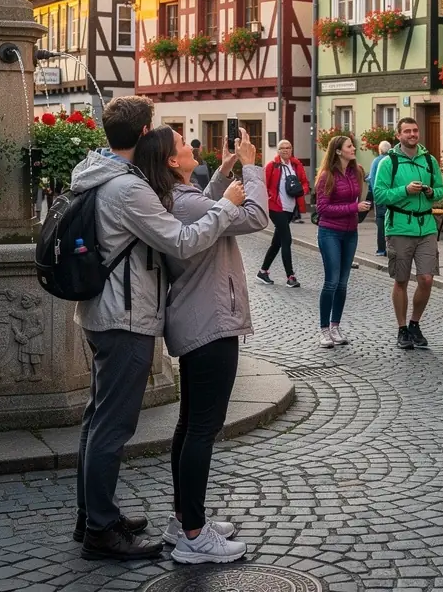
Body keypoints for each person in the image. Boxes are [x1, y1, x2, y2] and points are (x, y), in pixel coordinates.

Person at [69, 95, 246, 561]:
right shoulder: (128, 189)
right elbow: (181, 242)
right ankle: (101, 531)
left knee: (97, 418)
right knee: (113, 424)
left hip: (103, 311)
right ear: (145, 134)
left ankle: (93, 514)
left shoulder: (99, 171)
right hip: (124, 315)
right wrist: (226, 207)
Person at [132, 124, 267, 565]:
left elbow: (204, 207)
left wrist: (225, 172)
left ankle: (181, 518)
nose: (192, 146)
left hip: (197, 319)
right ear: (173, 161)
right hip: (210, 320)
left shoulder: (174, 196)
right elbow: (255, 217)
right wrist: (252, 168)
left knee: (190, 424)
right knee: (202, 430)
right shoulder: (184, 201)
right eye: (183, 145)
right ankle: (193, 533)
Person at [374, 117, 443, 350]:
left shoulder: (429, 160)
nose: (412, 134)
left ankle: (415, 323)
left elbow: (441, 192)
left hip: (426, 227)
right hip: (399, 227)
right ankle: (402, 328)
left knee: (426, 279)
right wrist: (405, 190)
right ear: (399, 135)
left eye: (415, 130)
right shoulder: (388, 163)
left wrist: (429, 190)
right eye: (407, 131)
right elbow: (380, 195)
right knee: (401, 280)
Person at [315, 135, 371, 348]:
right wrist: (353, 208)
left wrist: (361, 207)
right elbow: (322, 209)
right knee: (331, 281)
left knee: (343, 283)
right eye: (349, 146)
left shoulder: (356, 172)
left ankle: (335, 326)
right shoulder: (326, 176)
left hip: (351, 233)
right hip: (330, 232)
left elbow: (358, 196)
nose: (353, 148)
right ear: (338, 151)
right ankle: (323, 330)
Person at [258, 138, 308, 288]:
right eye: (283, 148)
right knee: (287, 239)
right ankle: (290, 276)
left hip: (290, 208)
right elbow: (263, 185)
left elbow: (305, 182)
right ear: (278, 151)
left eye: (288, 147)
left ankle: (263, 271)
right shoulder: (272, 166)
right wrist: (269, 199)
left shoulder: (296, 165)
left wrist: (301, 191)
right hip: (276, 207)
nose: (286, 150)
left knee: (277, 242)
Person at [367, 140, 392, 256]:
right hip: (392, 197)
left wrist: (374, 195)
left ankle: (381, 249)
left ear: (380, 150)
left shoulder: (376, 161)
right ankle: (392, 248)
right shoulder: (393, 160)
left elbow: (372, 179)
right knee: (392, 221)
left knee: (381, 221)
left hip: (380, 197)